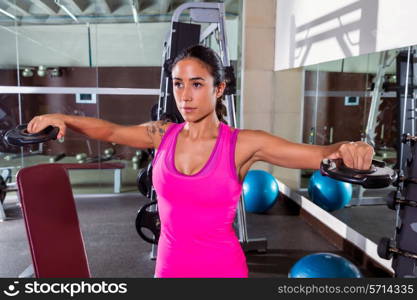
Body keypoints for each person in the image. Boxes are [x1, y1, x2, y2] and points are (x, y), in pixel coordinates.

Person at [27, 45, 374, 278]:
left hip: (221, 267)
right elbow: (111, 132)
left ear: (218, 88)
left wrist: (355, 146)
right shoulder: (163, 134)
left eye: (196, 84)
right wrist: (63, 118)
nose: (185, 96)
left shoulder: (242, 144)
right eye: (179, 84)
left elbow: (319, 154)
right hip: (169, 265)